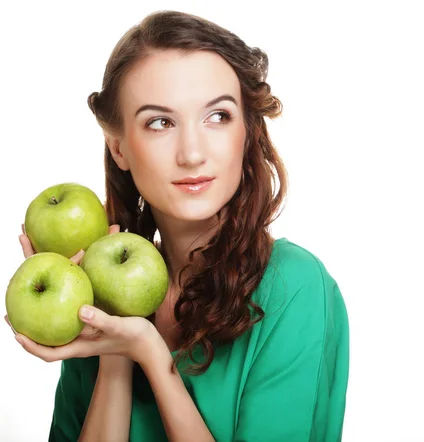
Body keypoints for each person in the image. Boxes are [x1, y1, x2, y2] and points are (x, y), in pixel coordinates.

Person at [6, 9, 350, 442]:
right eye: (160, 122)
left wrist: (151, 354)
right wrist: (115, 355)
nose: (191, 152)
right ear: (120, 149)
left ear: (247, 131)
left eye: (218, 116)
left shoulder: (295, 288)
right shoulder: (95, 294)